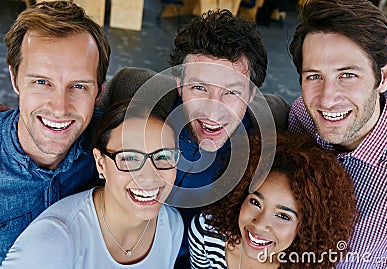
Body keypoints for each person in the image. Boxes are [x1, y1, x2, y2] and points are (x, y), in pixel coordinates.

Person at [101, 9, 290, 265]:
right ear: (179, 83)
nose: (213, 111)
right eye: (199, 88)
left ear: (251, 95)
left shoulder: (276, 125)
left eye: (231, 93)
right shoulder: (130, 92)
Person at [1, 99, 184, 268]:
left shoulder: (172, 225)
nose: (149, 176)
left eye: (163, 156)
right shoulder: (53, 241)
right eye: (129, 158)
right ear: (100, 163)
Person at [288, 0, 387, 268]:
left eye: (347, 75)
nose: (327, 100)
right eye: (314, 76)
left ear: (383, 77)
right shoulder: (300, 116)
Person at [0, 1, 111, 262]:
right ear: (15, 78)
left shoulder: (112, 144)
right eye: (41, 82)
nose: (60, 108)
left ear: (99, 90)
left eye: (79, 86)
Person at [189, 133, 357, 269]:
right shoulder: (206, 230)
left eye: (283, 216)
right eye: (255, 202)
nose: (260, 225)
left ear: (308, 227)